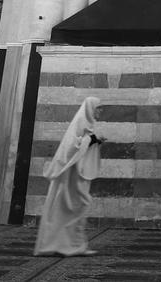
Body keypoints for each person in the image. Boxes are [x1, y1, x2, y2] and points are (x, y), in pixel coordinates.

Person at [35, 96, 105, 257]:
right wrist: (92, 139)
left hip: (80, 174)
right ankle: (62, 244)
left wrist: (95, 141)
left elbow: (84, 146)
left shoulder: (89, 125)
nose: (101, 111)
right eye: (98, 108)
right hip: (71, 178)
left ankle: (75, 245)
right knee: (74, 207)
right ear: (90, 109)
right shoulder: (79, 123)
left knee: (79, 207)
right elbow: (71, 147)